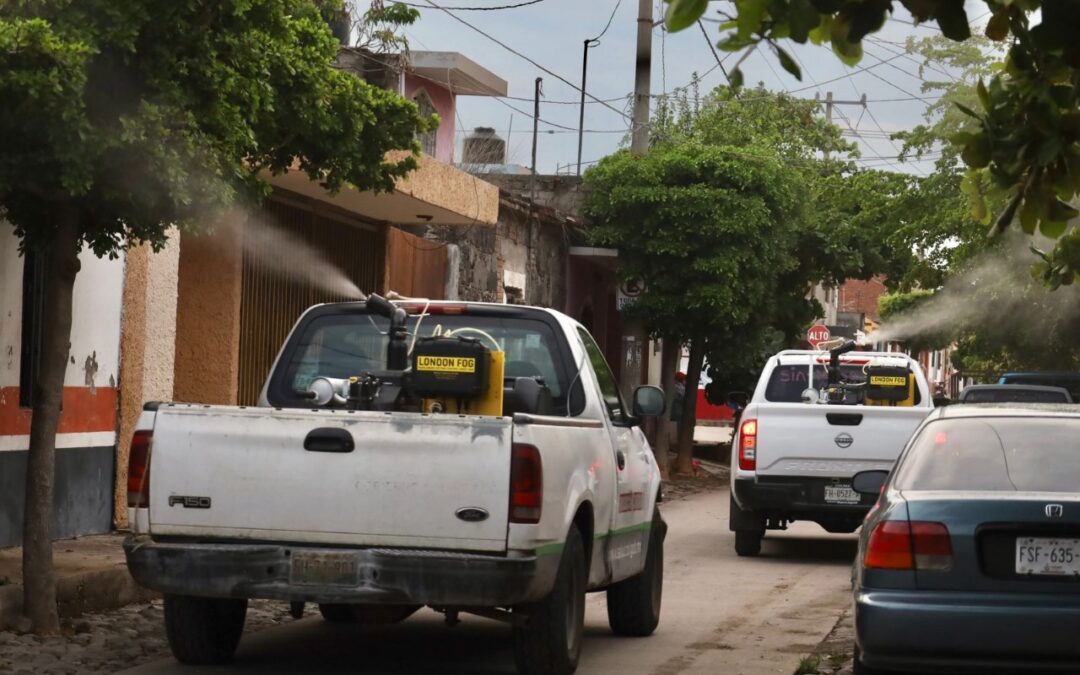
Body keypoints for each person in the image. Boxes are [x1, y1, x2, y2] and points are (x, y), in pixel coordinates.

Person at [671, 372, 686, 441]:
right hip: (677, 410)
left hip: (666, 410)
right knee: (681, 422)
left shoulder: (667, 385)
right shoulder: (681, 388)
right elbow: (684, 398)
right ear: (681, 380)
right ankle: (681, 438)